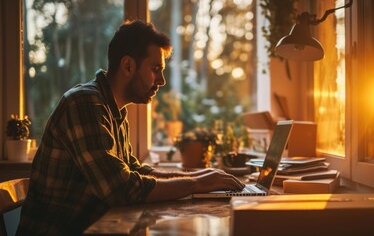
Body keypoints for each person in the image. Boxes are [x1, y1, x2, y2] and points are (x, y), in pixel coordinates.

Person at [17, 20, 244, 235]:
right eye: (156, 69)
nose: (161, 80)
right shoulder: (84, 104)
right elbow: (120, 189)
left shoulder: (113, 109)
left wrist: (198, 176)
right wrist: (197, 183)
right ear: (128, 65)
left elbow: (135, 172)